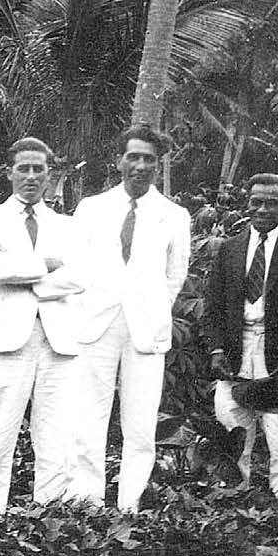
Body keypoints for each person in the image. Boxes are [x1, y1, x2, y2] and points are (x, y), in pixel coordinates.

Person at [63, 125, 191, 511]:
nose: (139, 166)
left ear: (158, 164)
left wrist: (148, 309)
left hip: (145, 329)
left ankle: (129, 502)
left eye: (148, 159)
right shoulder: (91, 208)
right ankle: (87, 498)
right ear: (118, 161)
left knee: (140, 423)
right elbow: (76, 267)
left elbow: (175, 277)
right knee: (89, 417)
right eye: (132, 157)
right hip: (96, 324)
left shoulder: (174, 215)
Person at [0, 137, 82, 513]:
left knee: (57, 434)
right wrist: (46, 265)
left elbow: (79, 276)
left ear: (50, 173)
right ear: (9, 172)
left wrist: (26, 278)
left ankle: (53, 514)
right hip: (6, 340)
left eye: (39, 169)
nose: (31, 176)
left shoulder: (66, 225)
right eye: (23, 168)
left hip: (57, 339)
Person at [201, 173, 278, 500]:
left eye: (272, 203)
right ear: (247, 204)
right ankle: (234, 503)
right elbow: (213, 306)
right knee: (233, 429)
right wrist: (215, 351)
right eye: (256, 202)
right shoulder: (230, 249)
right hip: (235, 352)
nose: (263, 210)